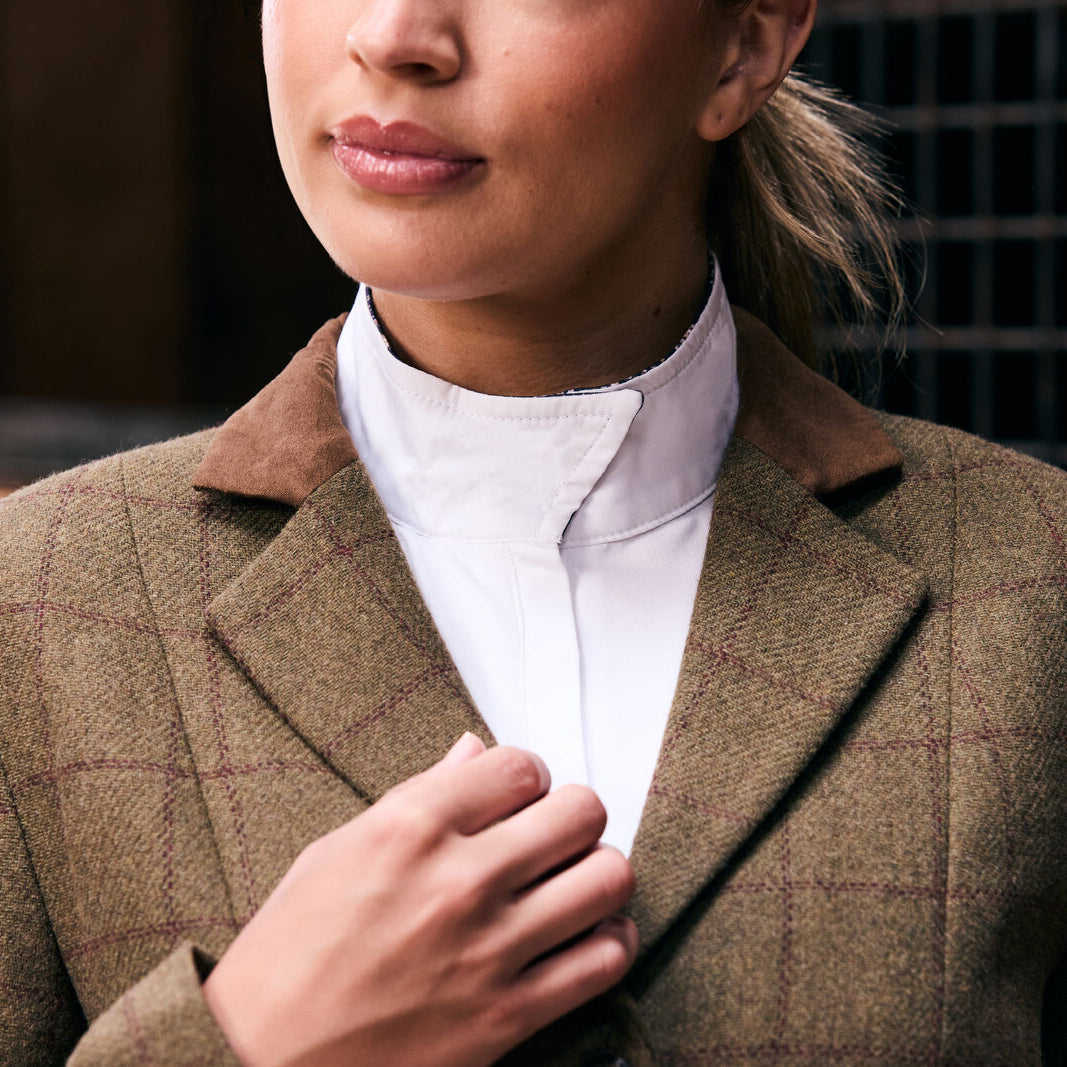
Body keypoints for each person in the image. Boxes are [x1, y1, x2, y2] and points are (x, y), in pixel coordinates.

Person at [1, 0, 1065, 1064]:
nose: (392, 32)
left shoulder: (1029, 584)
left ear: (742, 43)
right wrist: (243, 1041)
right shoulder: (37, 604)